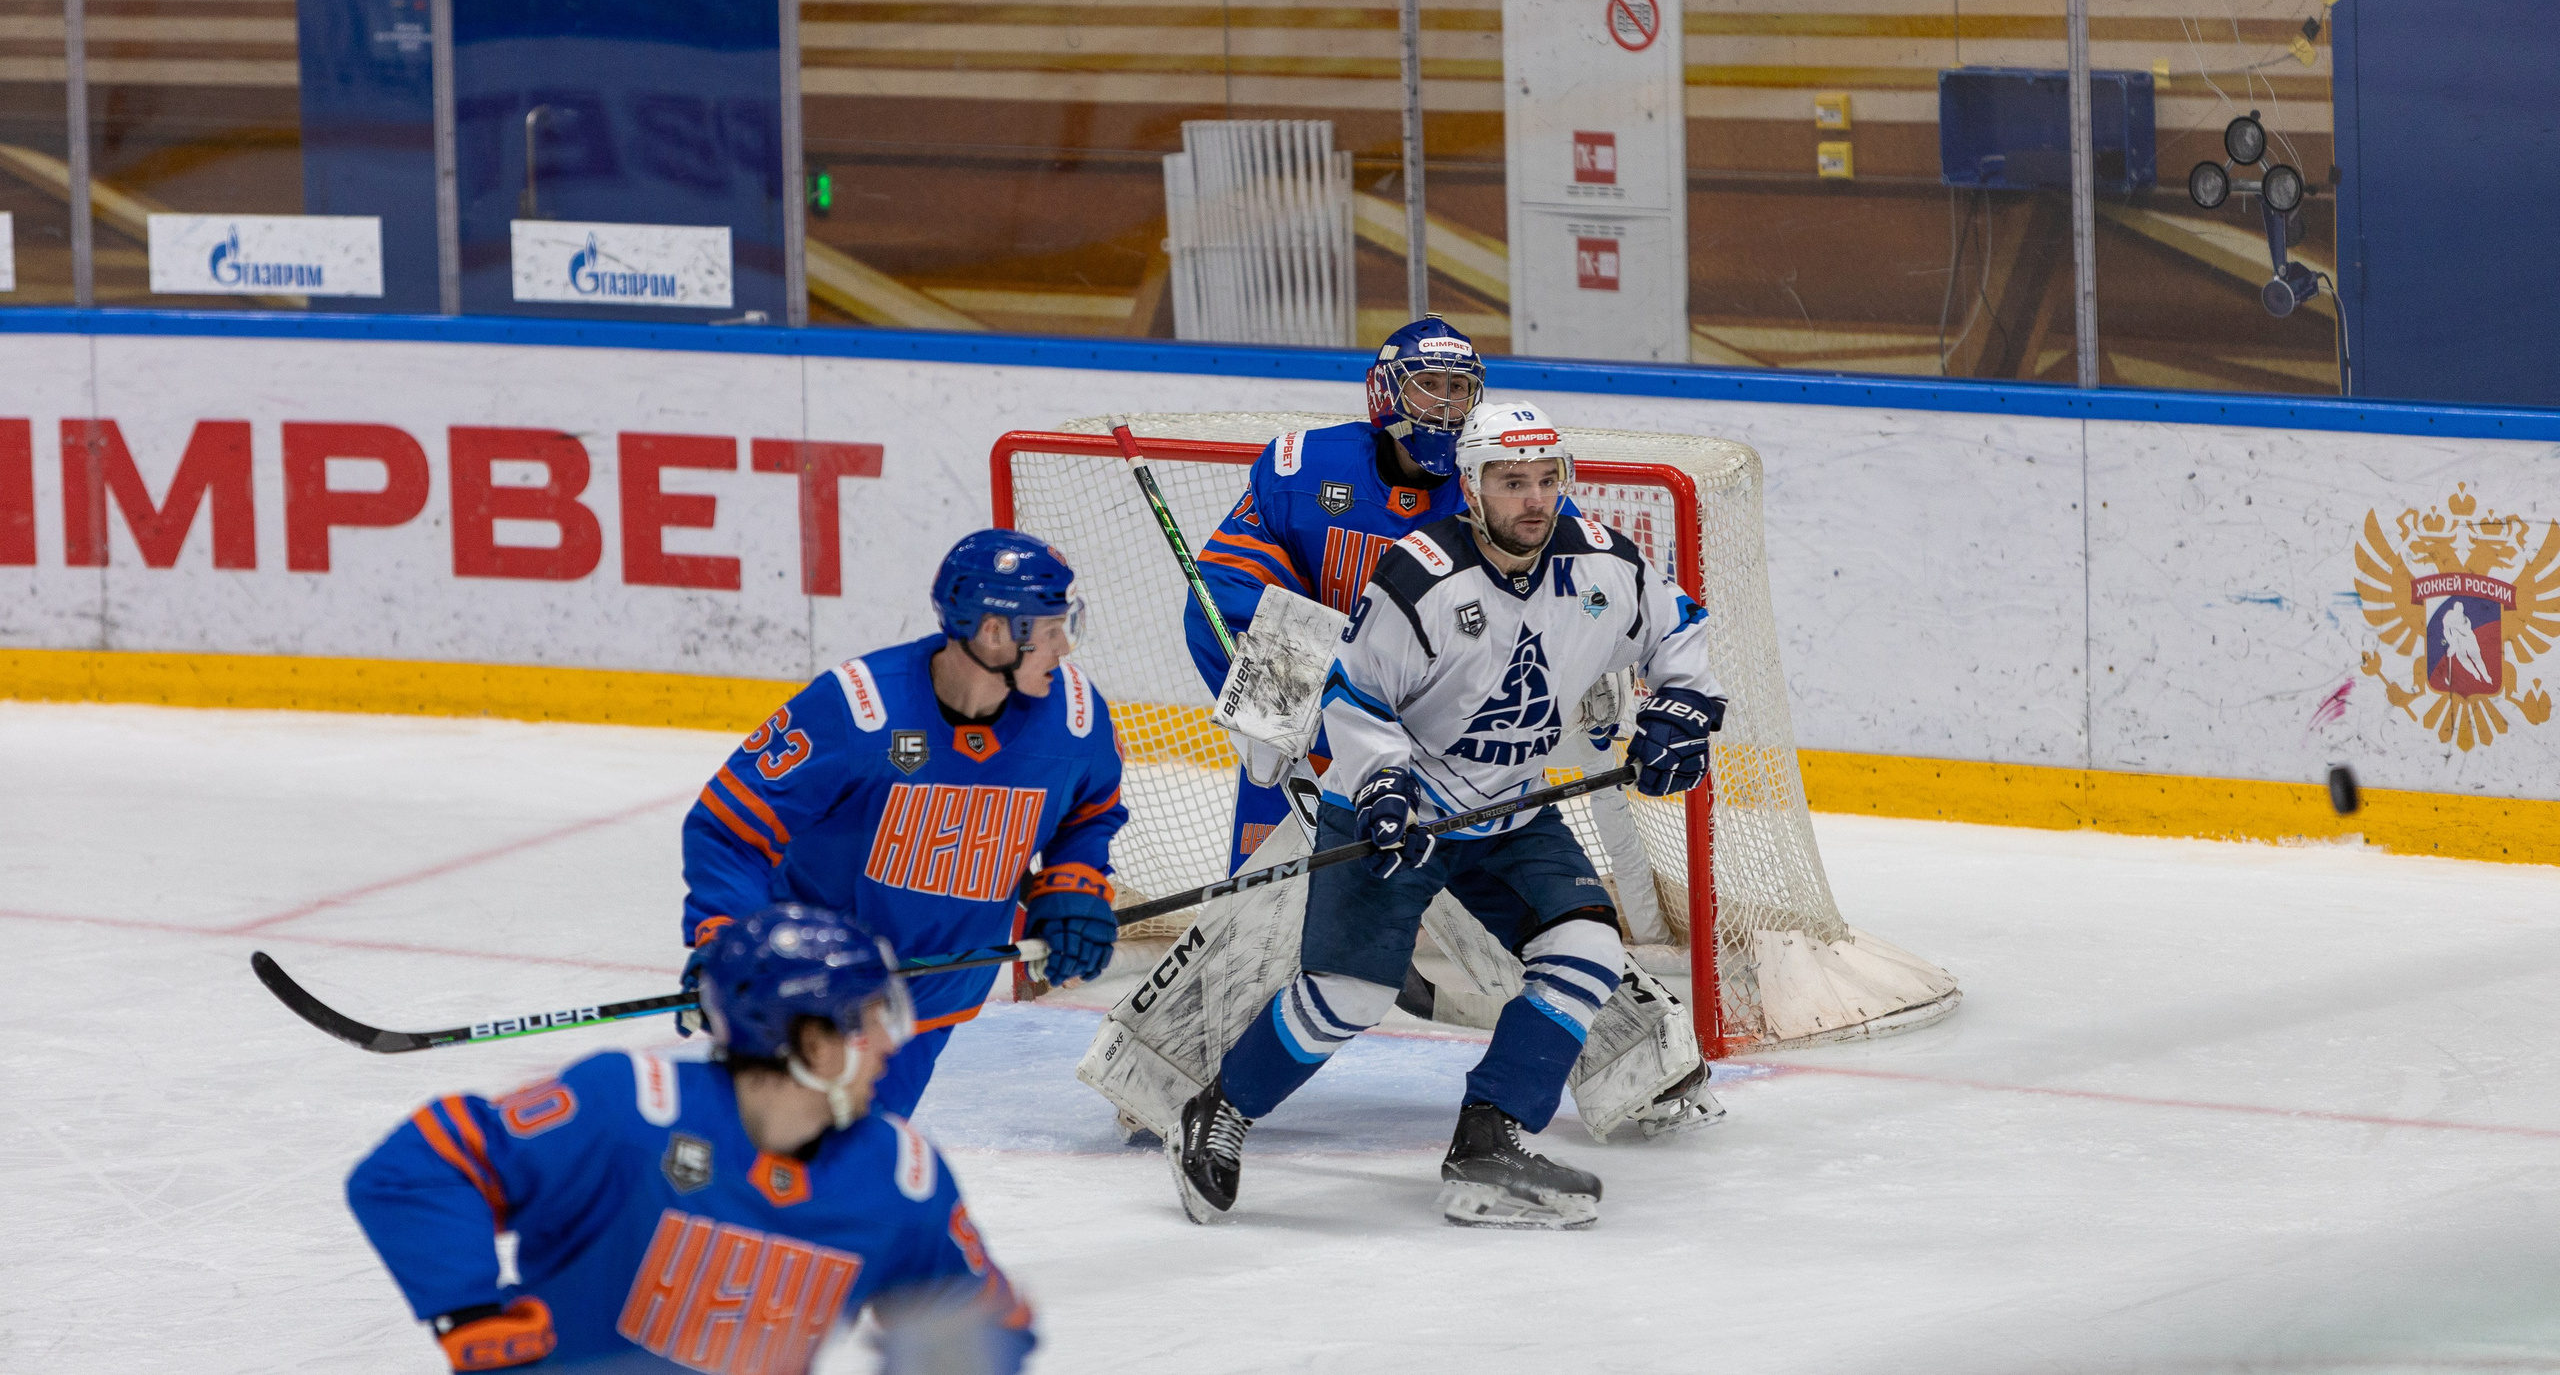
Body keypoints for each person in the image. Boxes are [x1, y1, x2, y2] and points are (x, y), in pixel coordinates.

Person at [1168, 399, 1728, 1230]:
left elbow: (1678, 628)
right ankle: (1219, 1111)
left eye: (1548, 479)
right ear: (1471, 488)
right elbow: (1354, 697)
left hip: (1510, 807)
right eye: (1512, 481)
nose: (1534, 499)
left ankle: (1489, 1135)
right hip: (1395, 807)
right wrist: (1383, 785)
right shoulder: (1419, 576)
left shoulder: (1605, 563)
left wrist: (1682, 708)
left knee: (1586, 949)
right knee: (1346, 998)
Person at [346, 903, 1035, 1374]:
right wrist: (466, 1314)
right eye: (867, 1019)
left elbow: (983, 1319)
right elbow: (423, 1167)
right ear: (808, 1040)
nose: (890, 1040)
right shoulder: (626, 1111)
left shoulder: (898, 1176)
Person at [682, 528, 1127, 1118]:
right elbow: (728, 826)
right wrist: (729, 936)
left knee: (845, 1177)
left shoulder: (1075, 717)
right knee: (766, 1177)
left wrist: (1073, 880)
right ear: (994, 633)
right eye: (1050, 632)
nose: (1065, 649)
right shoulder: (859, 709)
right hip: (812, 998)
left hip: (931, 1001)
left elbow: (1090, 809)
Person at [1182, 316, 1485, 869]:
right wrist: (1275, 702)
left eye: (1458, 388)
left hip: (1438, 723)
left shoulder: (1495, 479)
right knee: (1262, 906)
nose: (1445, 406)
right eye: (1429, 385)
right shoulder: (1303, 467)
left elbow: (1586, 579)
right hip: (1310, 715)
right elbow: (1221, 590)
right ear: (1386, 391)